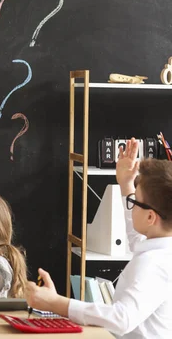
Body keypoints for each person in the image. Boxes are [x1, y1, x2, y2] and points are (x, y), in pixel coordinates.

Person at [26, 138, 172, 338]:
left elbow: (122, 319)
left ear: (150, 217)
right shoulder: (160, 248)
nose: (131, 204)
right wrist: (126, 184)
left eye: (135, 201)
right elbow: (136, 236)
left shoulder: (153, 263)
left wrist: (56, 303)